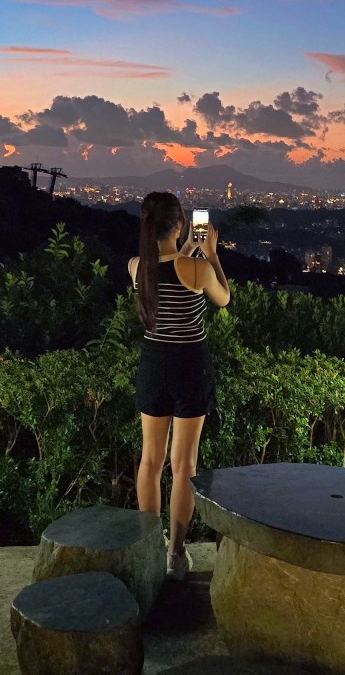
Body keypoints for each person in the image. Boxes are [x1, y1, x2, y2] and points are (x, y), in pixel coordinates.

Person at [129, 191, 230, 580]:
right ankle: (175, 553)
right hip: (190, 366)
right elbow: (223, 299)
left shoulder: (137, 267)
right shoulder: (198, 269)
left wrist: (187, 247)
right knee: (183, 464)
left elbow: (168, 263)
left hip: (154, 365)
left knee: (150, 460)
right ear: (179, 224)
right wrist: (212, 253)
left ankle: (149, 546)